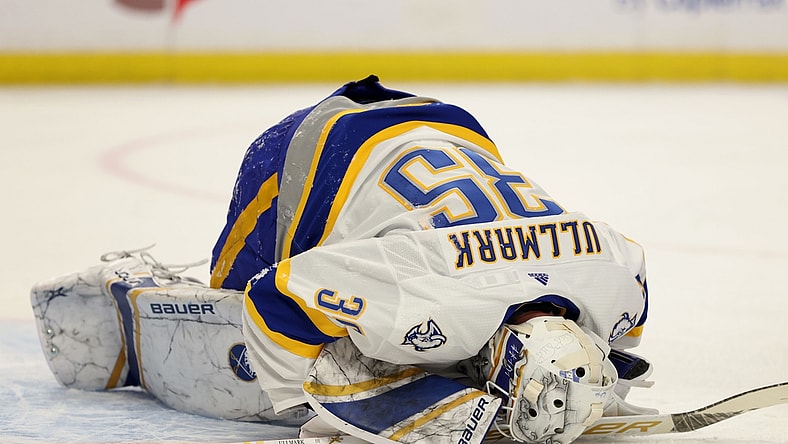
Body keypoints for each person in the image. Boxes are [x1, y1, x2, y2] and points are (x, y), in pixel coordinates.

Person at [31, 76, 655, 444]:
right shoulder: (421, 287)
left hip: (449, 131)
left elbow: (622, 339)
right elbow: (274, 301)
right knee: (232, 300)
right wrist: (316, 403)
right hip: (313, 151)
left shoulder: (616, 270)